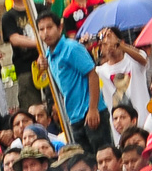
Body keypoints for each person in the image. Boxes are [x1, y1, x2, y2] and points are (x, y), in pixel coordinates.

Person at [35, 12, 105, 151]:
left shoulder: (71, 48)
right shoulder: (48, 55)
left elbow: (92, 74)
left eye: (49, 27)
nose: (46, 33)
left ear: (60, 28)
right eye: (41, 29)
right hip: (74, 117)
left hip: (90, 113)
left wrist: (93, 109)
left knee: (102, 155)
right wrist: (40, 63)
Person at [2, 0, 43, 112]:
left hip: (46, 61)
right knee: (31, 106)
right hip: (24, 66)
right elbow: (15, 39)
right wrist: (39, 42)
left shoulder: (38, 8)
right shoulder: (8, 17)